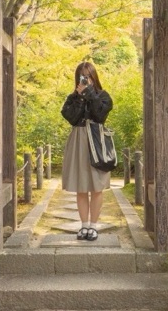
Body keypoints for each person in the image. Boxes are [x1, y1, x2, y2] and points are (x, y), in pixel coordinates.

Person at [61, 61, 113, 241]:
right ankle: (84, 225)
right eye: (81, 76)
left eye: (88, 75)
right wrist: (80, 97)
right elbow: (72, 118)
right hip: (78, 141)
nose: (85, 79)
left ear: (94, 76)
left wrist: (89, 94)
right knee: (81, 186)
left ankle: (94, 226)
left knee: (97, 186)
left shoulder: (103, 96)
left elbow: (100, 116)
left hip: (96, 142)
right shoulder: (72, 98)